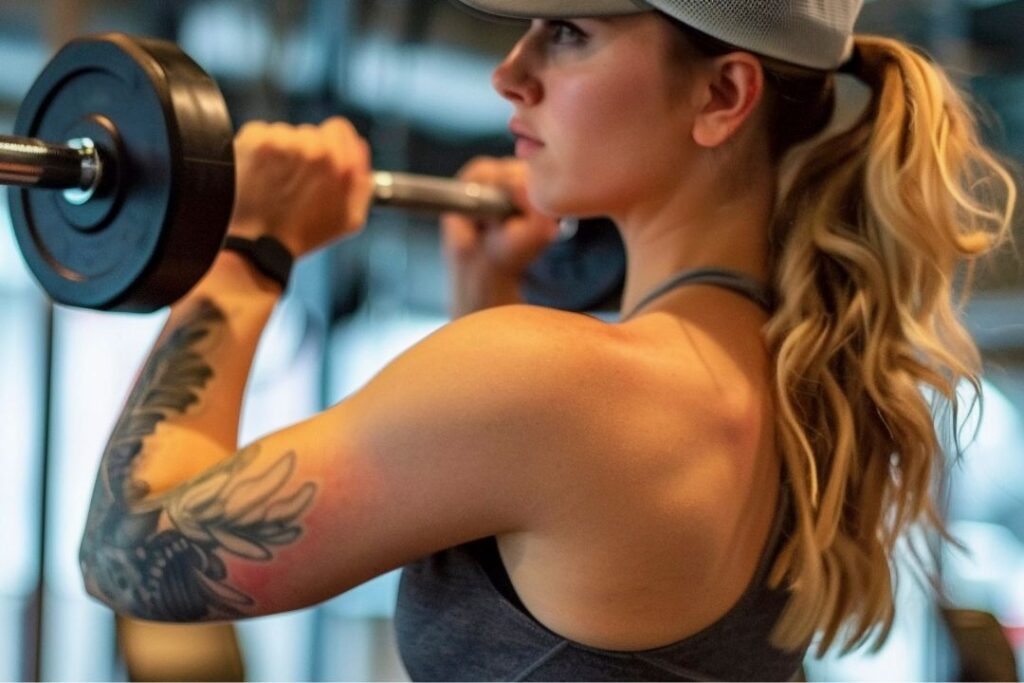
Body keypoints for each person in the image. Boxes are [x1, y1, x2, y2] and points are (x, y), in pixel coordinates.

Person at [78, 0, 1018, 680]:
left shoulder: (564, 383)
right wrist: (483, 297)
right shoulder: (798, 394)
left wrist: (252, 246)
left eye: (568, 32)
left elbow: (127, 551)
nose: (509, 71)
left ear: (725, 93)